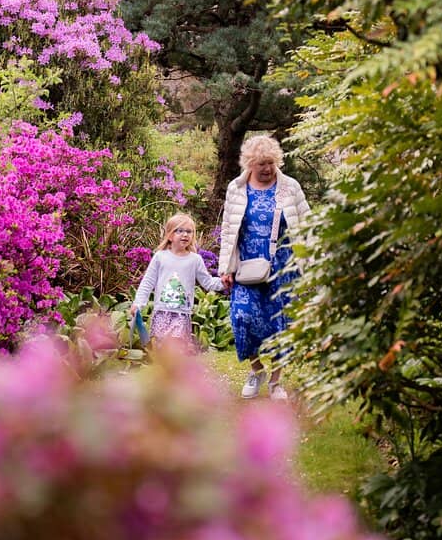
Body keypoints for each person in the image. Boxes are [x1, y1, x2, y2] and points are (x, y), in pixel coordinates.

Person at [218, 135, 310, 400]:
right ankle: (256, 369)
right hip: (247, 266)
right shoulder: (236, 188)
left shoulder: (290, 187)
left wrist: (312, 263)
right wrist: (226, 267)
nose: (267, 169)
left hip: (283, 266)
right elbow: (228, 230)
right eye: (261, 164)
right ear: (250, 163)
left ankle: (276, 382)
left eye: (270, 162)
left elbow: (307, 225)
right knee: (242, 317)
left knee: (279, 323)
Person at [130, 213, 226, 351]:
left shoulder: (195, 260)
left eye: (189, 231)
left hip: (181, 314)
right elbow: (148, 282)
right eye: (179, 231)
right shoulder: (160, 257)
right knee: (161, 348)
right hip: (161, 312)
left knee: (176, 346)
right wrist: (138, 303)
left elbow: (208, 282)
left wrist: (224, 282)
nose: (185, 235)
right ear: (169, 235)